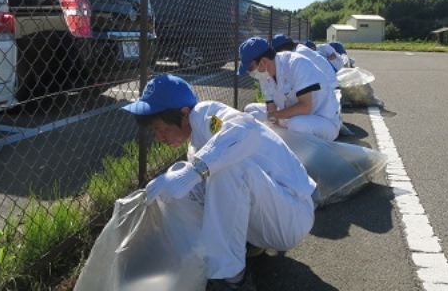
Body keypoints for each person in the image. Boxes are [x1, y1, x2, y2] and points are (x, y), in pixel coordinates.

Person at [124, 74, 316, 291]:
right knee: (173, 183)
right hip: (268, 216)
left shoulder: (206, 114)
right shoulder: (194, 145)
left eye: (160, 128)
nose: (159, 137)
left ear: (184, 114)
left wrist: (193, 171)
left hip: (292, 217)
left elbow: (247, 130)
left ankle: (231, 278)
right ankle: (214, 254)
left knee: (225, 167)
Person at [238, 37, 340, 141]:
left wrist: (273, 118)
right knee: (251, 110)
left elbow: (305, 107)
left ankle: (293, 146)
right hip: (292, 116)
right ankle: (286, 138)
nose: (250, 73)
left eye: (250, 68)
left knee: (297, 125)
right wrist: (272, 124)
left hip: (322, 120)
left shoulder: (297, 63)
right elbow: (271, 108)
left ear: (263, 62)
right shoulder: (264, 74)